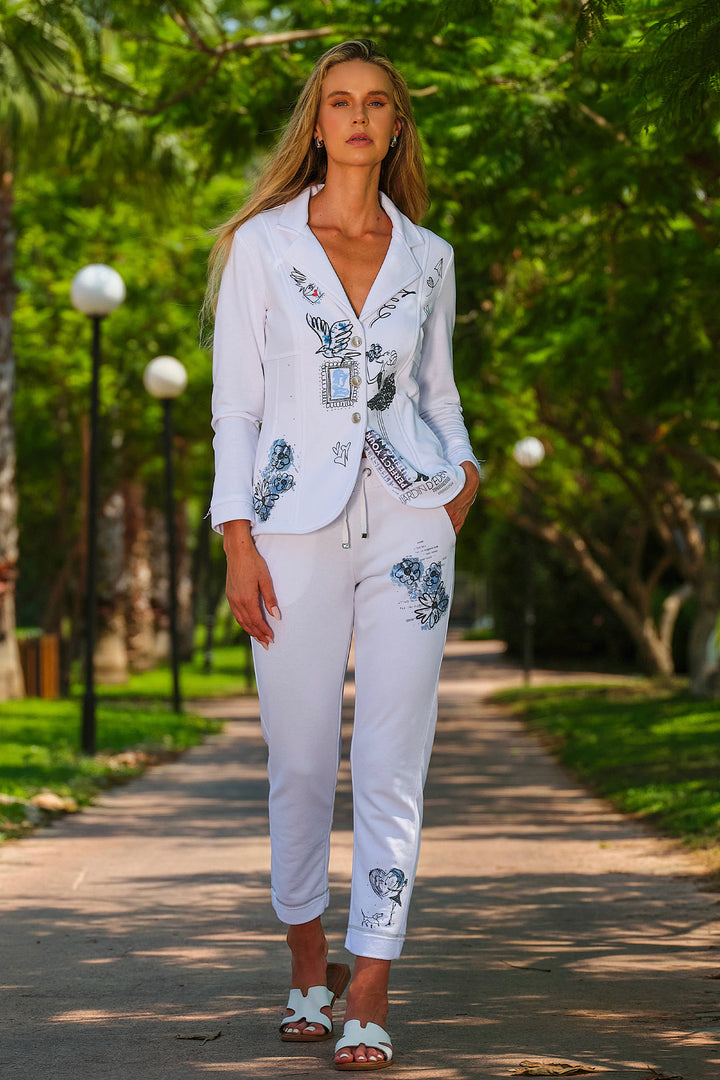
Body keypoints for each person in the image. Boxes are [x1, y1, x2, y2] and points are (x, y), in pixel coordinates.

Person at [206, 38, 480, 1071]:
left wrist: (466, 483)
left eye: (375, 104)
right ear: (315, 126)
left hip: (413, 525)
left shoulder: (429, 257)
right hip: (290, 527)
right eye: (338, 103)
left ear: (395, 125)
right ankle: (306, 968)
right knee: (303, 761)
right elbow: (236, 405)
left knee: (395, 763)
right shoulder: (262, 245)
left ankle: (370, 984)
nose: (358, 118)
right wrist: (239, 539)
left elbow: (439, 397)